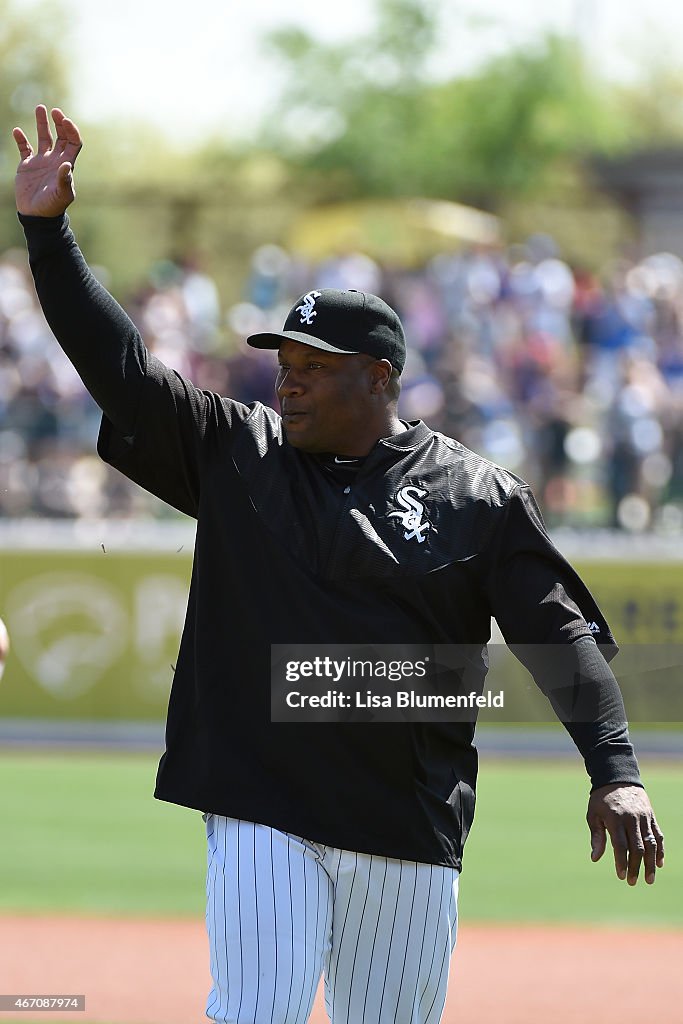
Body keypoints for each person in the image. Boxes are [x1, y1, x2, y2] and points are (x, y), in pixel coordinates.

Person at [13, 106, 664, 1024]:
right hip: (259, 804)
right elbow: (120, 368)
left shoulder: (475, 495)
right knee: (258, 1013)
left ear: (381, 378)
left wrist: (616, 770)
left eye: (316, 365)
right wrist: (48, 235)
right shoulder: (237, 452)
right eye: (284, 359)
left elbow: (556, 633)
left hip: (407, 822)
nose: (289, 378)